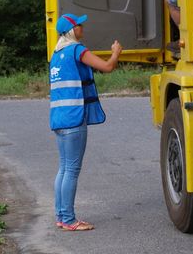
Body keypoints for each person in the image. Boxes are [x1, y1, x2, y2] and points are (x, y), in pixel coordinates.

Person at [49, 13, 122, 231]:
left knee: (63, 168)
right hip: (74, 118)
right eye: (80, 25)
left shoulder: (57, 53)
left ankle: (62, 217)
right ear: (73, 30)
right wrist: (116, 53)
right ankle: (70, 220)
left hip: (59, 118)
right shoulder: (77, 50)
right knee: (71, 169)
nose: (83, 28)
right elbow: (107, 67)